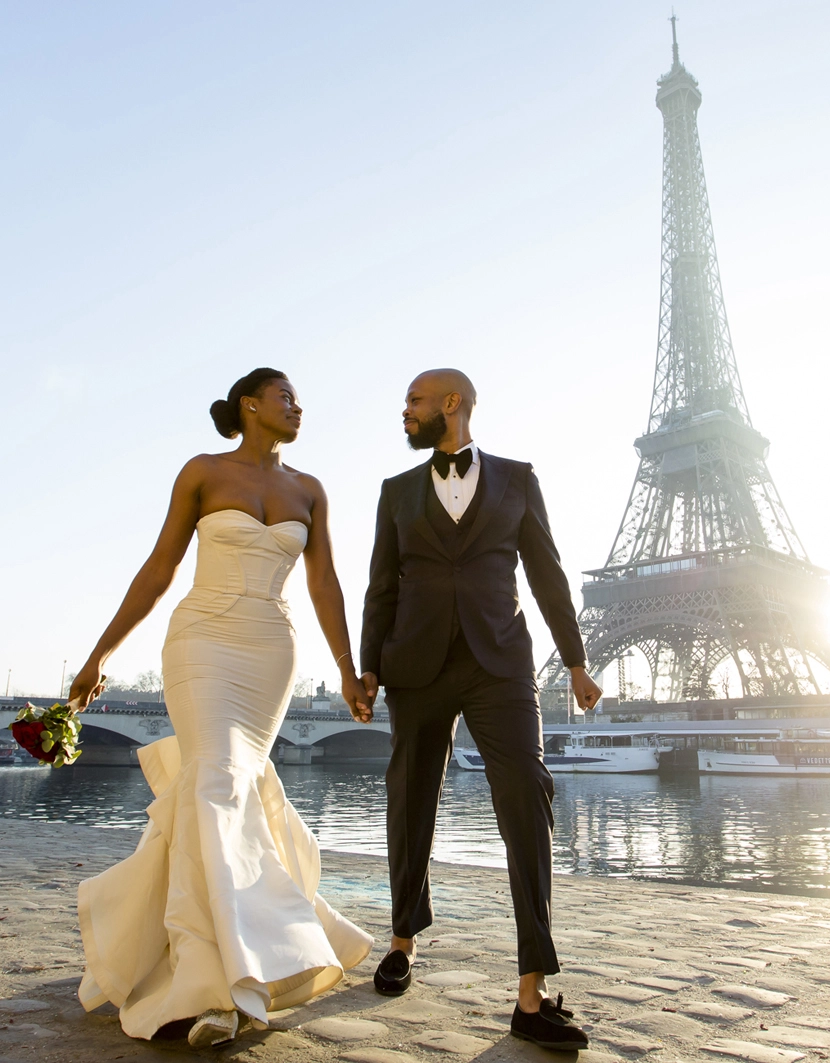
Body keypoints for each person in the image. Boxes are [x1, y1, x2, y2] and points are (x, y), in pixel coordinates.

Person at [67, 368, 374, 1048]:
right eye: (286, 396)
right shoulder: (201, 472)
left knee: (225, 790)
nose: (299, 407)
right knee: (215, 781)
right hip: (202, 637)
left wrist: (349, 671)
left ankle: (207, 961)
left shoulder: (310, 490)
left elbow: (325, 584)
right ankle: (215, 984)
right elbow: (158, 569)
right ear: (251, 405)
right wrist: (99, 656)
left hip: (270, 648)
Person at [360, 369, 602, 1051]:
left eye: (412, 400)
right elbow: (380, 584)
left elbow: (547, 572)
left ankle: (532, 988)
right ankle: (403, 938)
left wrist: (576, 659)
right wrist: (367, 667)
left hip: (499, 662)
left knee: (527, 791)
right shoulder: (395, 492)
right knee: (410, 798)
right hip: (415, 667)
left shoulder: (518, 478)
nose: (403, 412)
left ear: (450, 405)